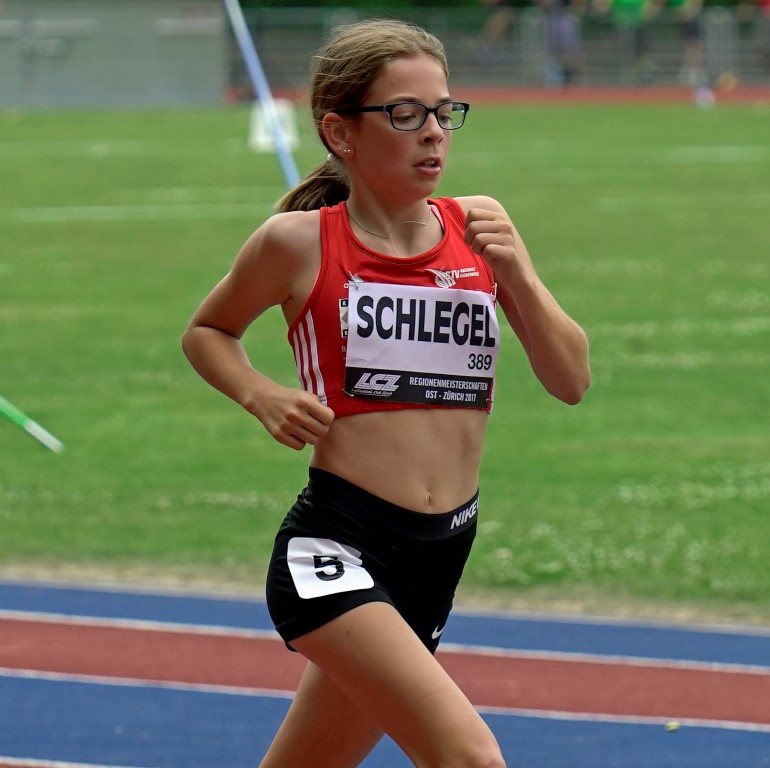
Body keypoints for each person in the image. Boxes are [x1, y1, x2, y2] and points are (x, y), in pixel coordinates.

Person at [182, 18, 590, 768]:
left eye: (444, 111)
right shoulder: (297, 242)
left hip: (440, 553)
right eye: (405, 114)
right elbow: (208, 331)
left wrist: (521, 277)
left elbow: (570, 381)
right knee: (470, 757)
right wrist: (261, 394)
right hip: (337, 546)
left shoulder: (480, 229)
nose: (433, 132)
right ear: (341, 132)